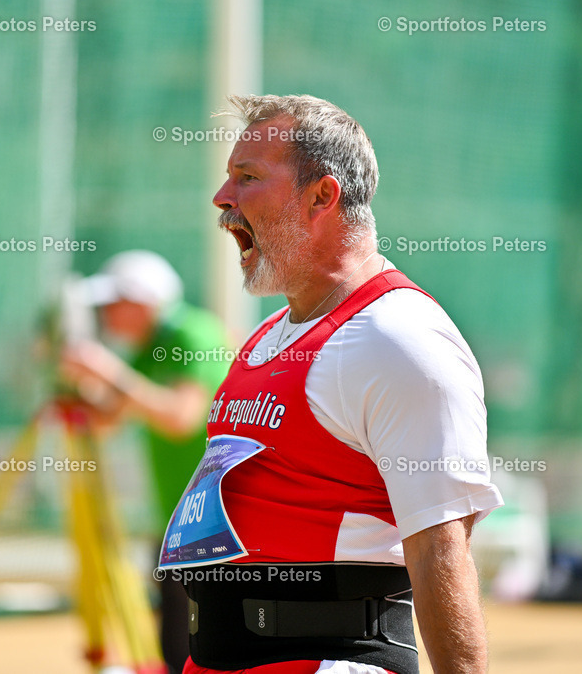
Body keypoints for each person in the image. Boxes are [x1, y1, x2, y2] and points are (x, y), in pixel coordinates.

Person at [161, 95, 503, 674]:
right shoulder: (273, 331)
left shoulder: (398, 339)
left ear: (323, 195)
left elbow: (440, 549)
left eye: (247, 178)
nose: (223, 198)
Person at [60, 250, 231, 674]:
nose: (107, 317)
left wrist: (109, 371)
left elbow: (180, 416)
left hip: (216, 517)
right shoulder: (150, 346)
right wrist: (74, 383)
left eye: (111, 305)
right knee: (175, 639)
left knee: (208, 640)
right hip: (176, 515)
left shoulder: (194, 333)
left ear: (139, 302)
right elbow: (108, 419)